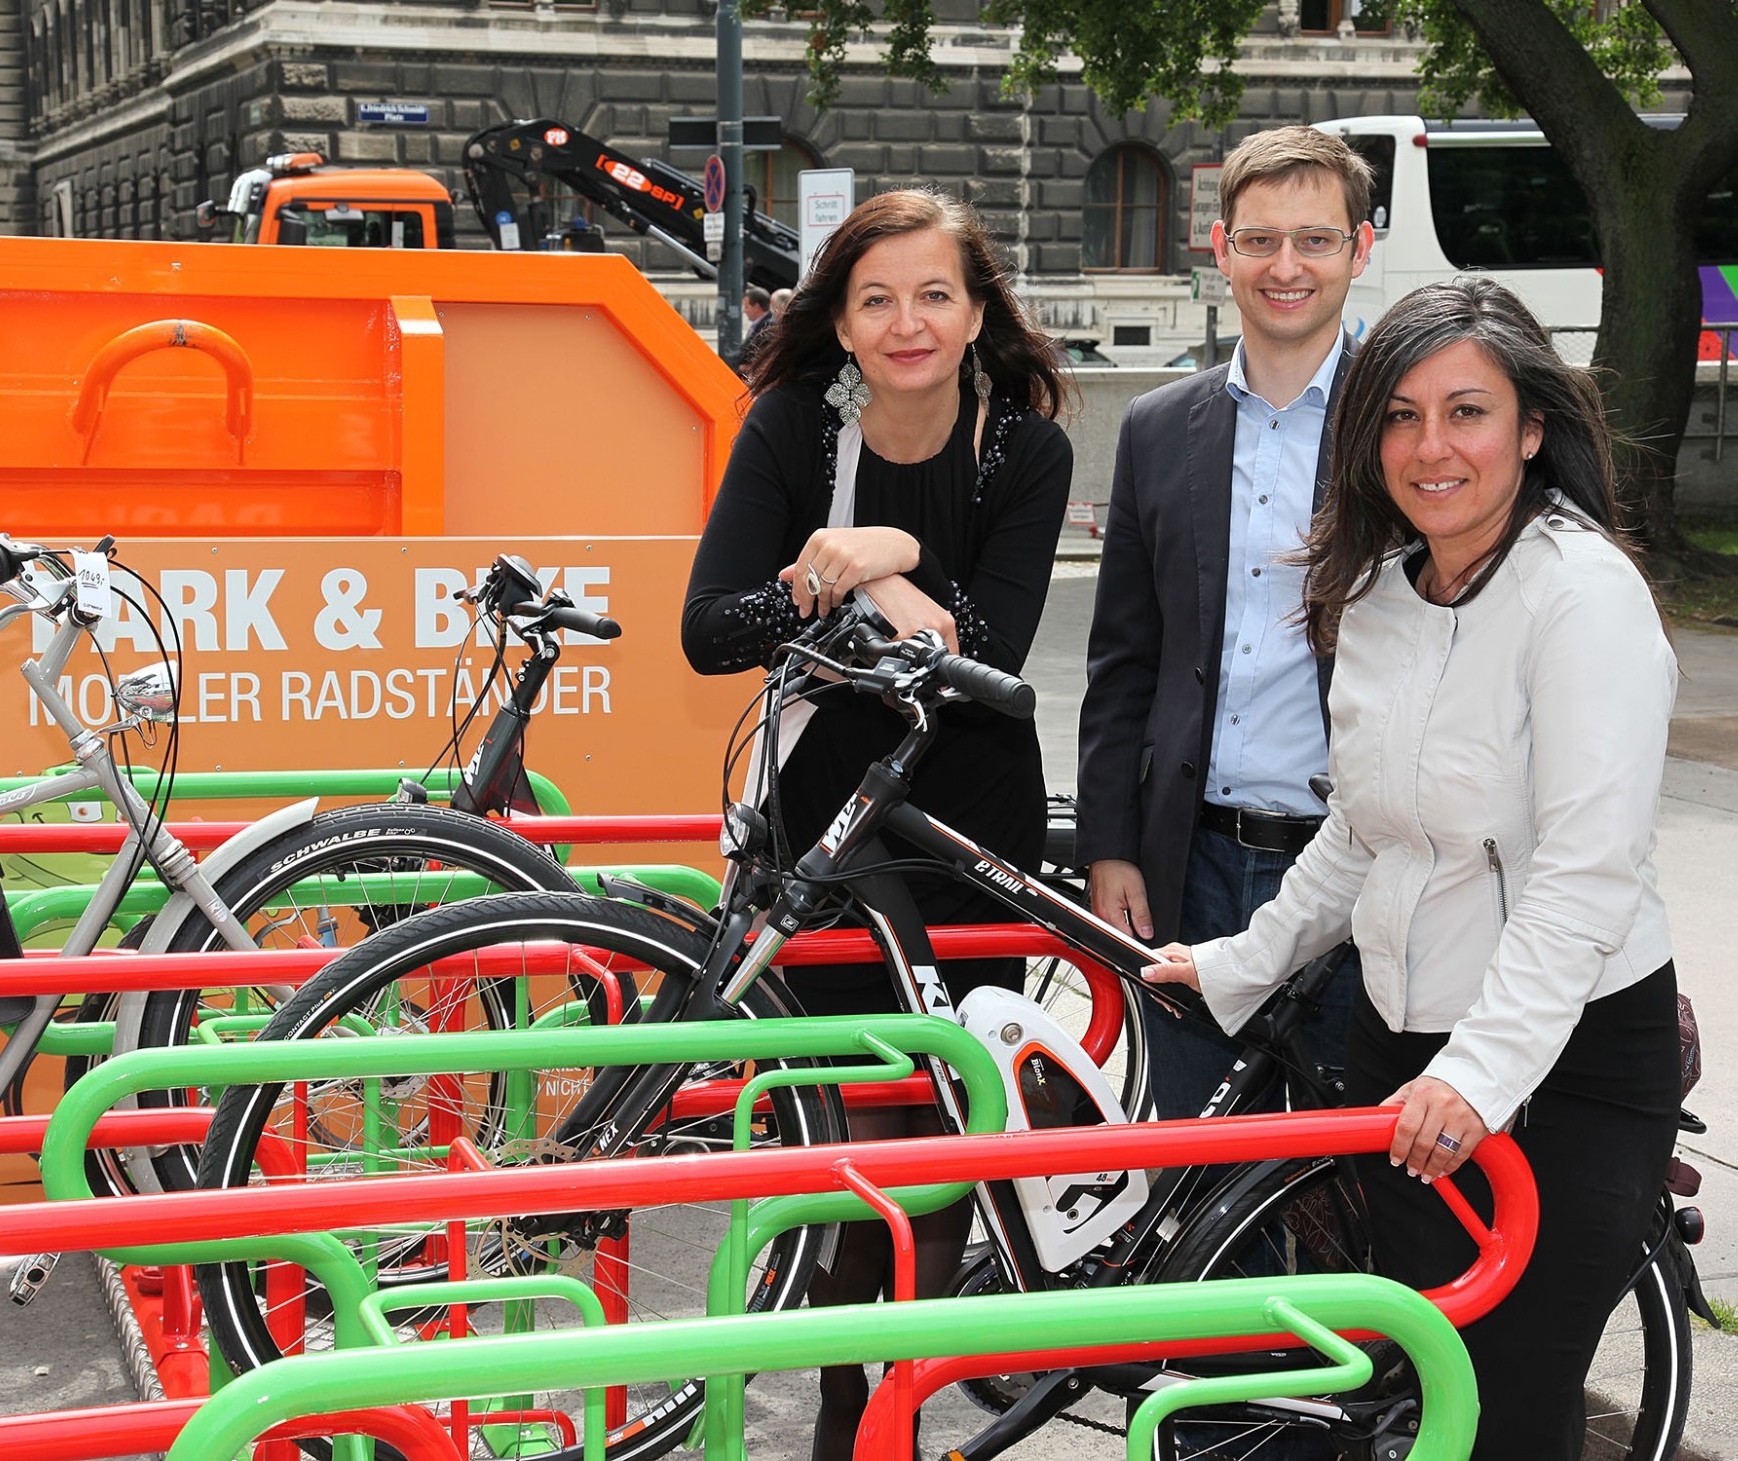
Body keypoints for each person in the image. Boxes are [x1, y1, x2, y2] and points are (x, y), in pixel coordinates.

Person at [1144, 275, 1680, 1459]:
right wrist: (1242, 960)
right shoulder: (1381, 593)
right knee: (1423, 1394)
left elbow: (1584, 875)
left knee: (1505, 1406)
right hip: (1402, 1048)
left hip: (1566, 1057)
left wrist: (1478, 1075)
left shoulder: (1579, 597)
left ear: (1530, 428)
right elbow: (1359, 828)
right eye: (1397, 415)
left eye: (1465, 412)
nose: (1428, 447)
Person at [681, 188, 1072, 1461]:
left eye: (934, 295)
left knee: (943, 1143)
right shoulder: (791, 425)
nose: (907, 323)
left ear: (974, 314)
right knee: (850, 1139)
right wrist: (820, 572)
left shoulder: (1023, 449)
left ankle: (881, 1425)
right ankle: (847, 1423)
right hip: (825, 836)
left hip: (969, 835)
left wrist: (884, 550)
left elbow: (987, 654)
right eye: (875, 299)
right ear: (838, 324)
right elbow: (708, 629)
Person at [1074, 126, 1374, 1119]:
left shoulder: (1407, 423)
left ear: (1359, 249)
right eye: (1258, 241)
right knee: (1203, 1176)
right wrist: (1110, 841)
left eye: (1313, 240)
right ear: (1218, 248)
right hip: (1192, 869)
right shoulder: (1159, 430)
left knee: (1361, 1176)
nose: (1284, 267)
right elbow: (1123, 659)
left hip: (1364, 865)